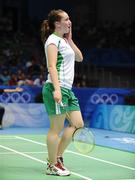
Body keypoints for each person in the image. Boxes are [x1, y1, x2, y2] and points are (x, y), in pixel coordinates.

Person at [41, 9, 84, 176]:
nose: (69, 22)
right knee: (56, 128)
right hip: (56, 87)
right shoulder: (52, 41)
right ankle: (52, 166)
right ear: (57, 24)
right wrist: (57, 90)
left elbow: (80, 58)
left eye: (69, 19)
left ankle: (57, 157)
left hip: (68, 89)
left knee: (78, 124)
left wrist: (71, 40)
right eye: (66, 19)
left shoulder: (64, 41)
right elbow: (51, 66)